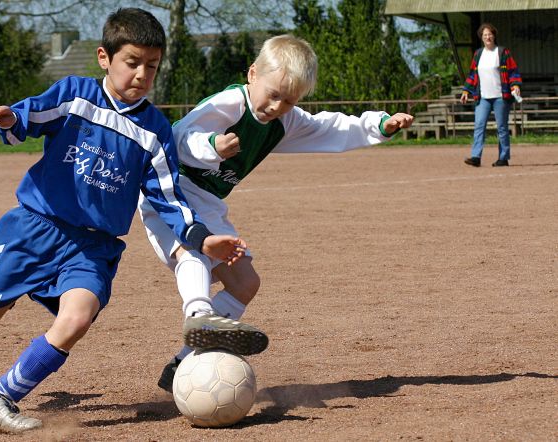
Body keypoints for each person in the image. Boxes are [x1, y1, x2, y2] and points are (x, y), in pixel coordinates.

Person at [0, 8, 255, 433]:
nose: (141, 74)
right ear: (105, 57)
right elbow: (32, 116)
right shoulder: (76, 94)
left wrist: (203, 239)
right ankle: (10, 286)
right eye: (132, 62)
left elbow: (168, 197)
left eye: (151, 66)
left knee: (78, 317)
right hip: (35, 229)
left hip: (93, 246)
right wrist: (11, 119)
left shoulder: (155, 130)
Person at [137, 34, 414, 393]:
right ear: (253, 74)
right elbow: (180, 136)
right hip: (170, 193)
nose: (277, 106)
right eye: (274, 94)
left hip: (208, 205)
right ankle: (199, 316)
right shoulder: (230, 103)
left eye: (289, 101)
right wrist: (211, 147)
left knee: (245, 284)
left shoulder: (285, 121)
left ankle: (183, 361)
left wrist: (377, 125)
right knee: (195, 252)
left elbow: (329, 127)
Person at [461, 23, 522, 167]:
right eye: (484, 35)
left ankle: (503, 158)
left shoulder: (502, 52)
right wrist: (466, 91)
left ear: (494, 36)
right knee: (479, 125)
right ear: (481, 38)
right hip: (482, 97)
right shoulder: (478, 54)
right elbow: (472, 75)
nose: (487, 37)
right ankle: (476, 157)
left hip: (501, 96)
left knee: (501, 128)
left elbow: (513, 71)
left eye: (490, 34)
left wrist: (515, 85)